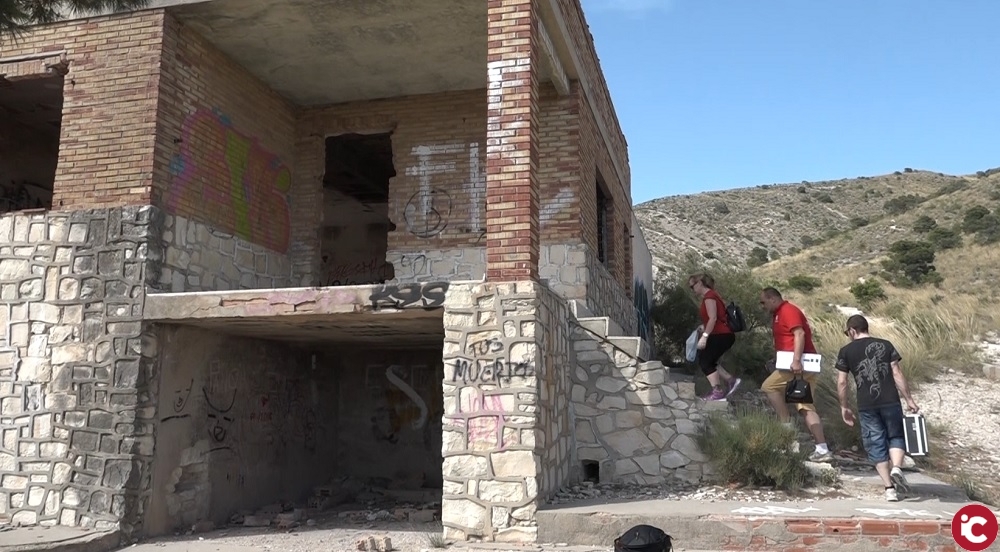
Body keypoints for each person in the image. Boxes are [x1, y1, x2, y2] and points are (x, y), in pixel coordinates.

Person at [836, 314, 920, 502]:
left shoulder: (846, 351)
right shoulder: (886, 345)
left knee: (876, 443)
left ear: (852, 331)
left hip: (866, 404)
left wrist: (844, 406)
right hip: (891, 401)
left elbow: (842, 382)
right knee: (896, 436)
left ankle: (889, 488)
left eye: (848, 333)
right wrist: (909, 399)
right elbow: (897, 373)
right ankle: (896, 468)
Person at [758, 287, 832, 462]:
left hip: (798, 366)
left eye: (763, 302)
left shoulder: (788, 311)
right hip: (798, 365)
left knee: (769, 386)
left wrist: (796, 360)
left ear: (772, 298)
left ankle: (787, 428)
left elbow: (799, 333)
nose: (762, 306)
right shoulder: (779, 314)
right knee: (805, 406)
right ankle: (822, 449)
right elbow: (787, 340)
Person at [689, 273, 741, 401]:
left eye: (692, 286)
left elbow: (713, 318)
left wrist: (704, 336)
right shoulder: (713, 295)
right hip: (722, 334)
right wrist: (704, 327)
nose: (692, 289)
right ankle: (730, 380)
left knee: (705, 361)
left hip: (720, 334)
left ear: (699, 283)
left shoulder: (709, 296)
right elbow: (715, 319)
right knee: (709, 360)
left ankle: (717, 391)